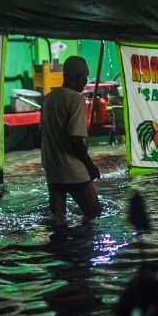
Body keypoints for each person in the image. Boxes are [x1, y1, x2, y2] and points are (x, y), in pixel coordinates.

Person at [40, 55, 102, 219]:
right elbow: (75, 138)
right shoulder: (76, 99)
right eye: (84, 78)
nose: (85, 82)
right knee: (95, 213)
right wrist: (90, 166)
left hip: (53, 171)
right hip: (73, 170)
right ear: (78, 78)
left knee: (58, 221)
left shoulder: (48, 99)